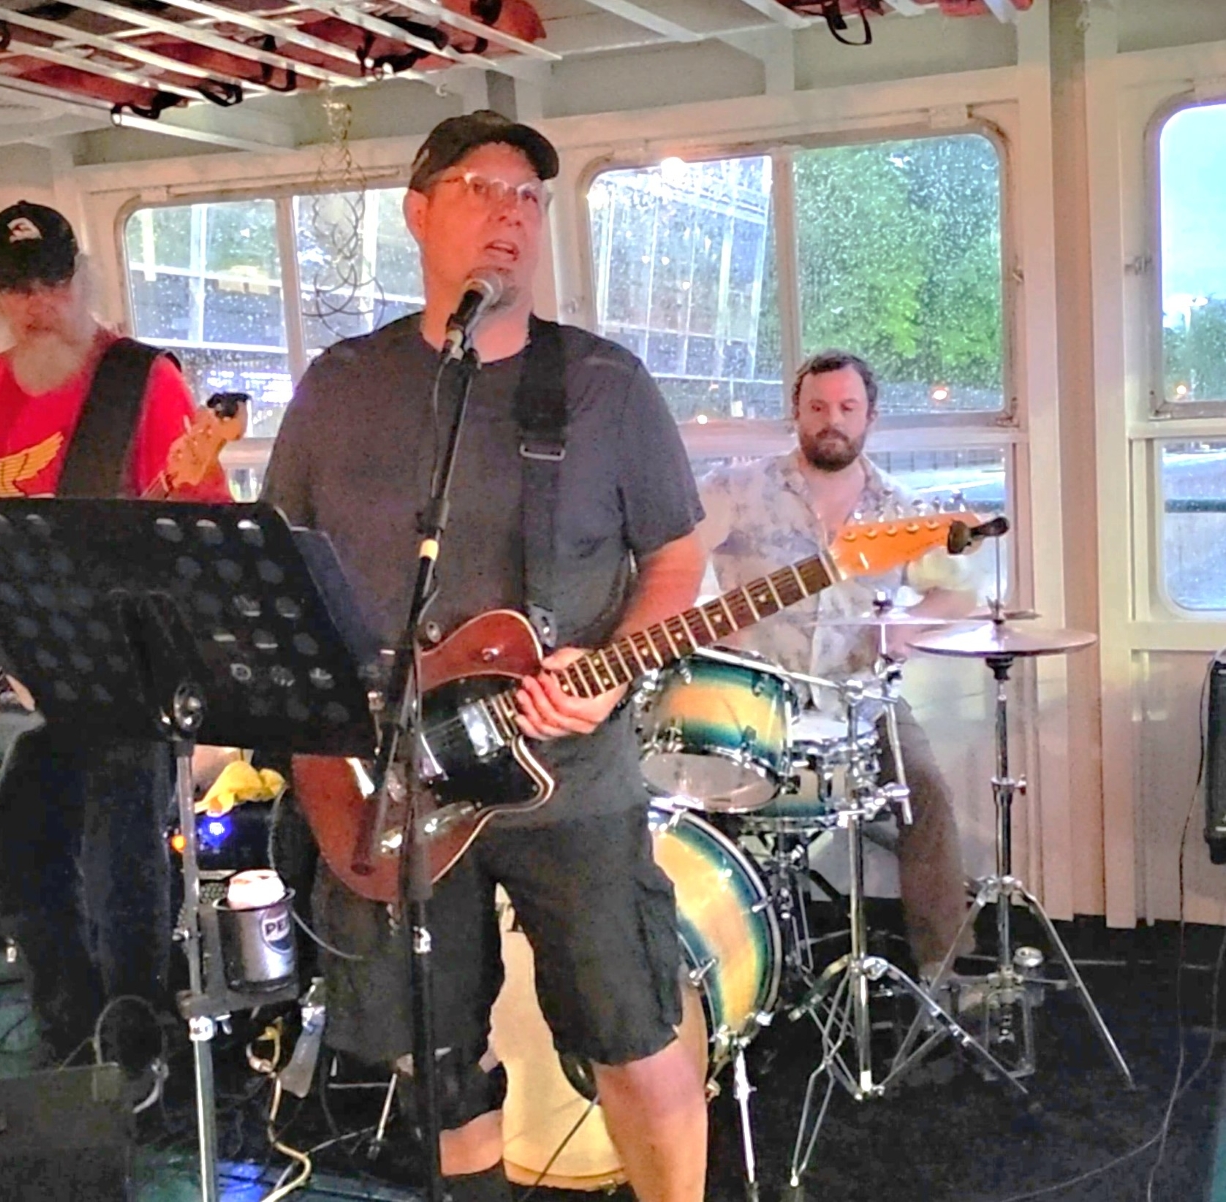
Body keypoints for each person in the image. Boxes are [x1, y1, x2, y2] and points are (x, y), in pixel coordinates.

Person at [262, 112, 711, 1202]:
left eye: (529, 197)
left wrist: (601, 667)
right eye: (482, 188)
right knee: (441, 1066)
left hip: (571, 777)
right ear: (417, 211)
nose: (511, 214)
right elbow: (282, 564)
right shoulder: (341, 384)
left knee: (631, 1028)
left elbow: (679, 553)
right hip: (396, 784)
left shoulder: (604, 385)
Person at [0, 201, 230, 1085]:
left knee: (123, 856)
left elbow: (205, 526)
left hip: (127, 664)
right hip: (25, 670)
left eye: (55, 282)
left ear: (84, 276)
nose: (40, 304)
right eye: (20, 288)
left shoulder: (144, 384)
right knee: (24, 854)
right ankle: (66, 1034)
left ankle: (138, 1038)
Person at [693, 350, 976, 979]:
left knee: (923, 794)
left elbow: (960, 593)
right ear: (795, 413)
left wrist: (907, 625)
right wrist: (716, 621)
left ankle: (943, 974)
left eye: (847, 408)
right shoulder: (735, 489)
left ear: (870, 417)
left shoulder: (899, 508)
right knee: (701, 806)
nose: (832, 420)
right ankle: (722, 975)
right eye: (817, 407)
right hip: (754, 694)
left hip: (859, 696)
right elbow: (672, 556)